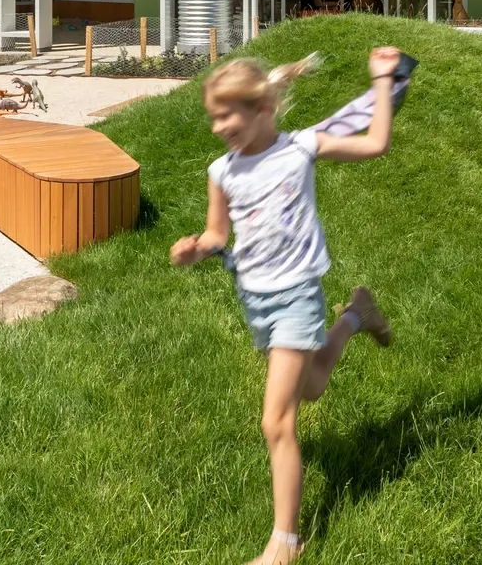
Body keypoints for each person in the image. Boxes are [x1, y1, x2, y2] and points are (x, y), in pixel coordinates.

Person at [169, 46, 410, 564]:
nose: (217, 127)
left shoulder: (301, 147)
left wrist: (383, 81)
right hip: (255, 300)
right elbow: (217, 233)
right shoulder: (222, 171)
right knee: (316, 386)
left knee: (277, 422)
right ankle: (357, 314)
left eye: (226, 116)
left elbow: (376, 144)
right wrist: (196, 248)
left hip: (297, 293)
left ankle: (285, 542)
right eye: (213, 117)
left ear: (262, 110)